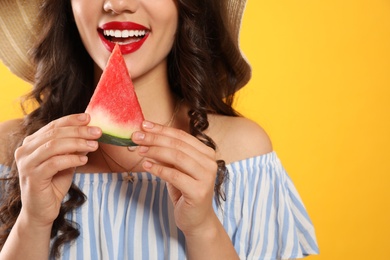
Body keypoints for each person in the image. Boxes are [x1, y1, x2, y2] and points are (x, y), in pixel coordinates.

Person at [0, 0, 319, 259]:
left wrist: (203, 228)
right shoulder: (14, 153)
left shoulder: (246, 155)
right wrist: (32, 223)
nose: (118, 4)